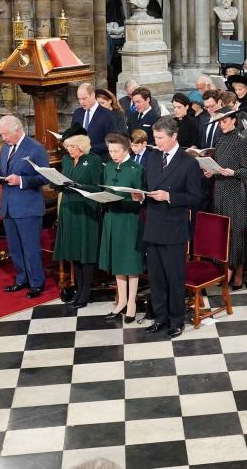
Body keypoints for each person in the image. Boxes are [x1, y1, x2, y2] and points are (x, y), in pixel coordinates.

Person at [138, 116, 207, 336]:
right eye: (155, 137)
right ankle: (160, 317)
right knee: (156, 277)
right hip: (153, 225)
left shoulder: (188, 162)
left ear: (173, 136)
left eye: (160, 138)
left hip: (174, 228)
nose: (156, 142)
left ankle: (177, 319)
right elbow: (146, 185)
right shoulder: (151, 158)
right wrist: (139, 195)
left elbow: (197, 197)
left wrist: (170, 196)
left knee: (174, 277)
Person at [0, 116, 49, 297]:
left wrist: (21, 180)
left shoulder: (35, 148)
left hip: (28, 206)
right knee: (15, 247)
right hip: (9, 206)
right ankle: (22, 279)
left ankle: (37, 282)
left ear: (17, 130)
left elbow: (45, 177)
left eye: (6, 134)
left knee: (30, 247)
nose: (4, 138)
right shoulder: (5, 148)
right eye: (2, 134)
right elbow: (3, 172)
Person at [52, 125, 102, 309]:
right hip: (68, 209)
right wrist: (57, 183)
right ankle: (79, 290)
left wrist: (78, 186)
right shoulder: (66, 160)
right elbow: (62, 180)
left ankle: (85, 293)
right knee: (74, 252)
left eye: (72, 147)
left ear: (81, 145)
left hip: (85, 209)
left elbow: (98, 187)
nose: (69, 150)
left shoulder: (93, 160)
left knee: (85, 252)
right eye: (67, 147)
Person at [98, 133, 145, 323]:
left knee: (130, 261)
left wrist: (134, 199)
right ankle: (121, 301)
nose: (113, 154)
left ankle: (132, 303)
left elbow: (141, 197)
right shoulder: (108, 167)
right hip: (112, 217)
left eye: (116, 151)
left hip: (129, 219)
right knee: (117, 260)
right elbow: (104, 189)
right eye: (110, 151)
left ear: (126, 150)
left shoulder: (136, 168)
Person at [203, 107, 247, 290]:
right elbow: (219, 164)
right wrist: (211, 171)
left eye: (224, 121)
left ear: (233, 120)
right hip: (220, 188)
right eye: (219, 122)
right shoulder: (220, 138)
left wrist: (234, 173)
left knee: (235, 231)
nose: (221, 125)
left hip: (234, 190)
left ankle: (236, 269)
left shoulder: (242, 140)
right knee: (222, 230)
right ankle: (224, 268)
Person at [73, 82, 116, 161]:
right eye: (79, 99)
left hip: (99, 161)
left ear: (93, 95)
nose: (81, 102)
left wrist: (88, 149)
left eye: (84, 98)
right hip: (79, 160)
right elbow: (73, 133)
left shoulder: (108, 115)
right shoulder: (77, 113)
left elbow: (111, 142)